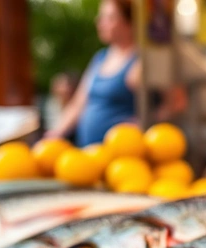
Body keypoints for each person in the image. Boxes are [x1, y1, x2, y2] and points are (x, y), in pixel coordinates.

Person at [45, 0, 140, 146]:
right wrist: (55, 133)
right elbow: (78, 105)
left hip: (122, 157)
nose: (100, 23)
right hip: (89, 154)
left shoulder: (139, 61)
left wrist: (141, 124)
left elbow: (170, 105)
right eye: (100, 17)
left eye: (109, 18)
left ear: (129, 24)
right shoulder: (100, 58)